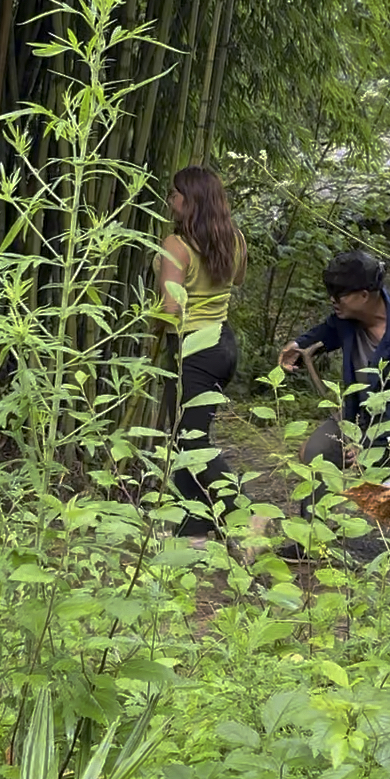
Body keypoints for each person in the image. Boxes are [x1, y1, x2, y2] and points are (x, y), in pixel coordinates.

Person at [278, 249, 390, 527]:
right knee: (315, 452)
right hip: (357, 414)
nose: (333, 301)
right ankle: (316, 537)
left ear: (364, 295)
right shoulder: (347, 316)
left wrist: (366, 445)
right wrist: (299, 347)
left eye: (339, 295)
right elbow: (328, 331)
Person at [155, 166, 248, 534]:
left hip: (192, 349)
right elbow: (237, 278)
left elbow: (171, 308)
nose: (170, 200)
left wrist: (150, 333)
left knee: (191, 441)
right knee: (186, 436)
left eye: (175, 194)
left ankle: (244, 511)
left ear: (191, 201)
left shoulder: (176, 245)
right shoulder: (235, 239)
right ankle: (192, 523)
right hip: (223, 345)